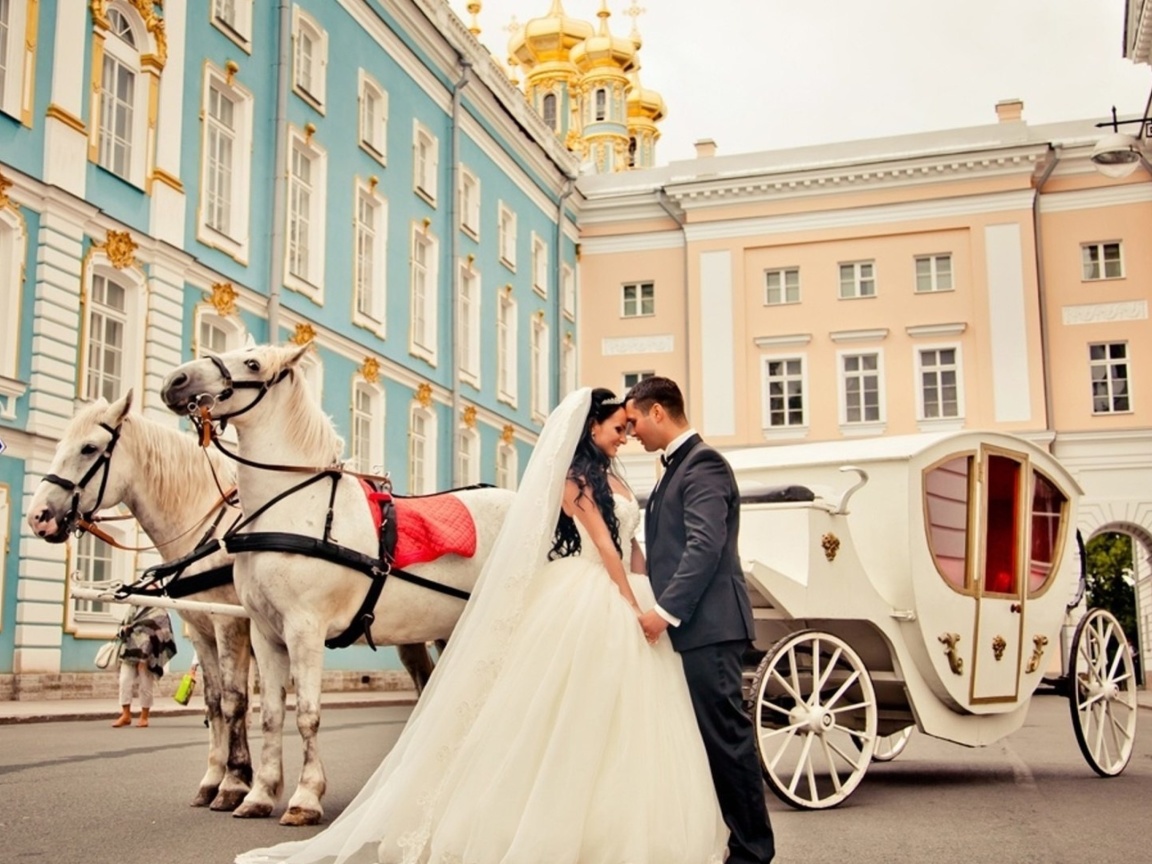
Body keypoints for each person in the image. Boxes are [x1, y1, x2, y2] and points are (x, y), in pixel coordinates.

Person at [236, 387, 728, 864]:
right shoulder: (575, 480)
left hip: (619, 587)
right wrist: (629, 601)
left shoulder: (611, 477)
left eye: (629, 426)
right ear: (590, 427)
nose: (625, 435)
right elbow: (601, 544)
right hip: (593, 592)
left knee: (624, 717)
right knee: (570, 716)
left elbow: (626, 545)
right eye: (618, 428)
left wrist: (645, 589)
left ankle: (620, 815)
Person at [624, 376, 776, 864]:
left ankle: (754, 852)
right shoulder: (675, 467)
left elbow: (705, 545)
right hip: (696, 627)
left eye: (635, 422)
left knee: (727, 741)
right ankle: (731, 842)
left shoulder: (703, 464)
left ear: (658, 413)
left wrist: (664, 613)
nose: (632, 433)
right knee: (707, 741)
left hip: (709, 626)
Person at [112, 605, 178, 728]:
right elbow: (122, 625)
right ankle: (126, 715)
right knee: (124, 681)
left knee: (145, 684)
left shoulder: (160, 611)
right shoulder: (134, 607)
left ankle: (144, 716)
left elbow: (164, 633)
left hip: (148, 654)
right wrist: (124, 630)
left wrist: (149, 646)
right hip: (129, 651)